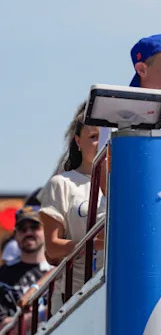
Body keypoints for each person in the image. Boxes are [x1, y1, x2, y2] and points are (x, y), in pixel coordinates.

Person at [40, 105, 107, 294]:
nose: (100, 144)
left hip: (116, 286)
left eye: (104, 138)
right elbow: (52, 248)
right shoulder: (62, 183)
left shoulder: (127, 184)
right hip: (75, 295)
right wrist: (93, 244)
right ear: (78, 141)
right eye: (93, 137)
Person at [0, 206, 52, 324]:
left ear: (46, 230)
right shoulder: (3, 275)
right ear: (15, 234)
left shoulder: (60, 269)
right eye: (22, 229)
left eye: (34, 227)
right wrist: (44, 314)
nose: (28, 233)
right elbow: (2, 325)